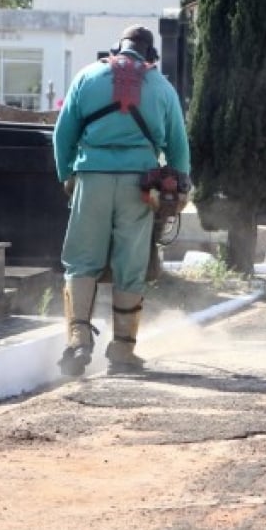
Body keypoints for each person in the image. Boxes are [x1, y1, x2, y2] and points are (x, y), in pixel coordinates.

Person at [52, 25, 190, 376]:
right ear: (150, 54)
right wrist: (181, 186)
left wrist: (67, 175)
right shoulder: (161, 86)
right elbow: (177, 145)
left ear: (117, 48)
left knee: (82, 261)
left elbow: (63, 133)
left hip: (92, 179)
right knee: (131, 264)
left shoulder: (87, 75)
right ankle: (122, 352)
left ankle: (78, 340)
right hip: (139, 186)